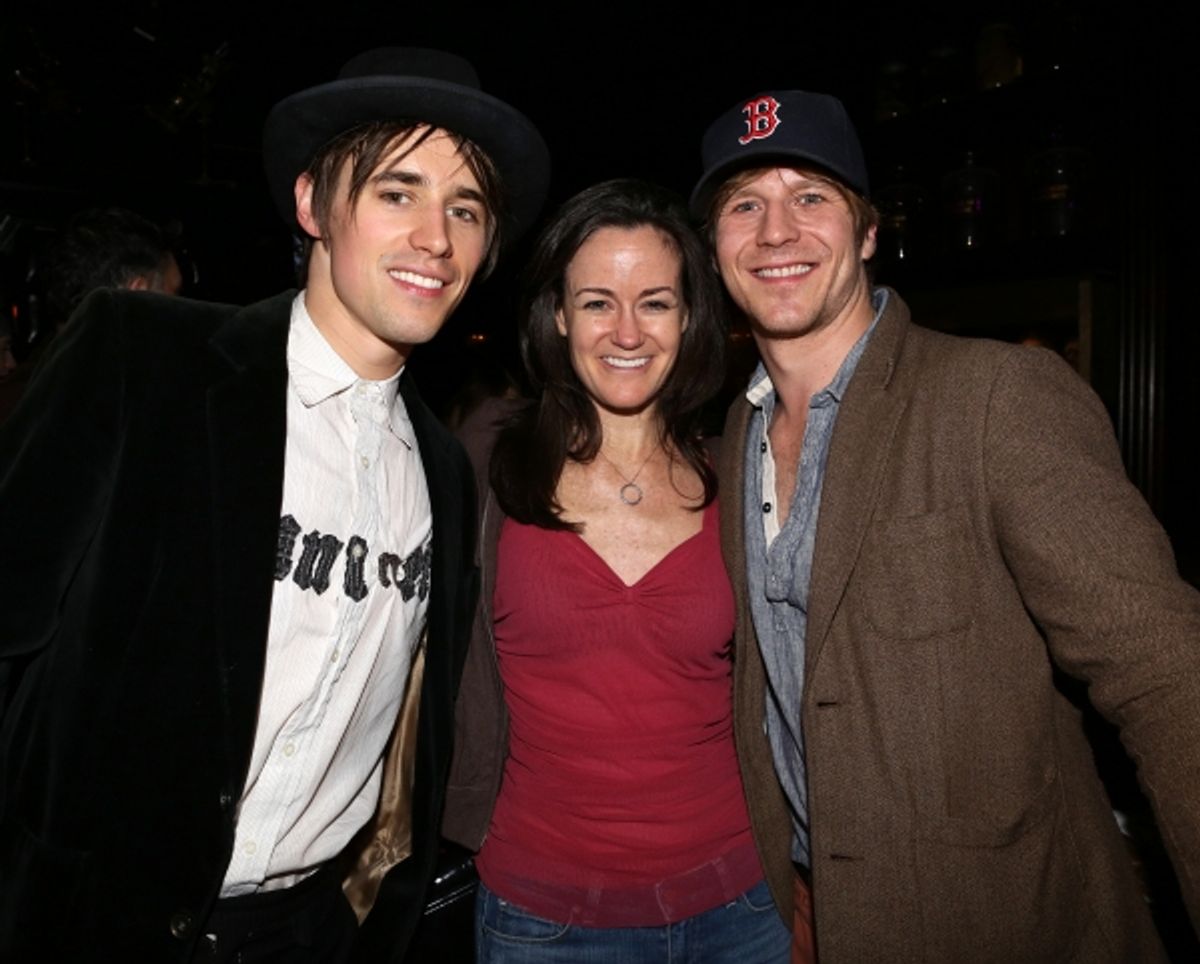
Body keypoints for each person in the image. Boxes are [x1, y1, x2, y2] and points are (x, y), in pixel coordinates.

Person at [0, 47, 549, 963]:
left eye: (466, 209)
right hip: (87, 922)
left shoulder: (446, 475)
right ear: (312, 205)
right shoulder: (145, 359)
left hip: (307, 934)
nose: (436, 239)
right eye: (398, 192)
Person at [691, 89, 1200, 962]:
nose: (776, 231)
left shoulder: (995, 397)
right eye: (745, 205)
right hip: (811, 916)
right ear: (714, 248)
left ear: (867, 232)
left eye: (810, 196)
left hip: (1008, 925)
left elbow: (1164, 672)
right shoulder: (733, 433)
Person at [442, 179, 792, 963]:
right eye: (598, 302)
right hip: (545, 919)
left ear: (689, 316)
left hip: (738, 906)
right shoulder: (488, 464)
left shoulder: (743, 472)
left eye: (655, 303)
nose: (627, 331)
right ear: (560, 316)